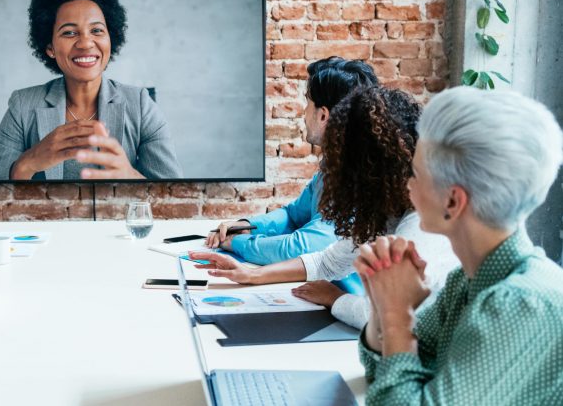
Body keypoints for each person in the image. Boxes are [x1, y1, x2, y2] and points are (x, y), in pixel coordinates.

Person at [354, 88, 563, 404]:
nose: (408, 184)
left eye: (416, 173)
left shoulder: (518, 303)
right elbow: (383, 369)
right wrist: (381, 300)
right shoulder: (467, 282)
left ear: (453, 201)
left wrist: (398, 313)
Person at [190, 87, 459, 329]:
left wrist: (335, 298)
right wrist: (251, 275)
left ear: (368, 167)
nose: (333, 170)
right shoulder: (387, 209)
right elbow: (330, 261)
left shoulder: (423, 224)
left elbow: (380, 317)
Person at [206, 56, 378, 293]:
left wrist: (237, 244)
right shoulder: (333, 167)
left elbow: (305, 246)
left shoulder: (356, 178)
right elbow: (294, 214)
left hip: (348, 311)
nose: (303, 113)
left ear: (323, 115)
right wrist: (247, 225)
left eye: (308, 102)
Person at [0, 0, 183, 181]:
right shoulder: (23, 104)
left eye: (96, 30)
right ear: (49, 47)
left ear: (111, 39)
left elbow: (175, 195)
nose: (85, 43)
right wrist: (29, 162)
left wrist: (129, 176)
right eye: (69, 32)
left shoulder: (140, 104)